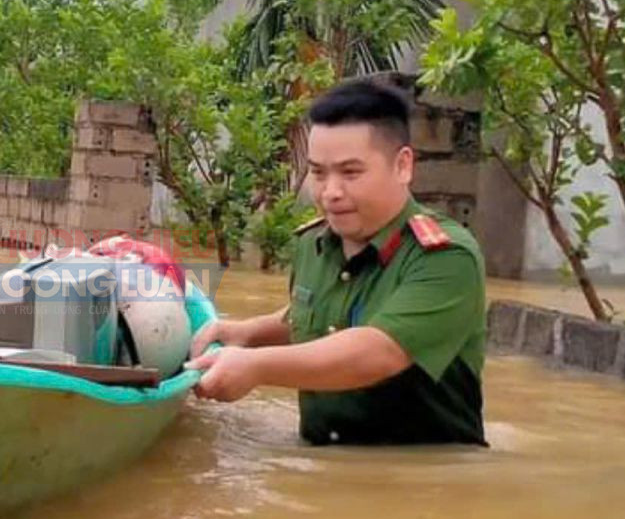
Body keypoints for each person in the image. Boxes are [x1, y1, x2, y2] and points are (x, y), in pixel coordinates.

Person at [184, 77, 488, 446]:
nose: (330, 193)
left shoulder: (446, 257)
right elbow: (315, 312)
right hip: (321, 467)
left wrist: (256, 366)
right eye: (318, 172)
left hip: (418, 485)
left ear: (403, 165)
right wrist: (247, 333)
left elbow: (378, 352)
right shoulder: (314, 243)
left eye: (350, 173)